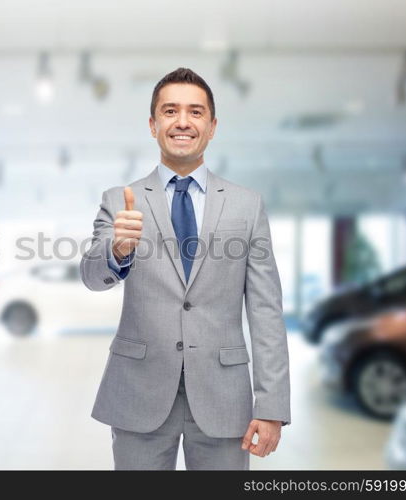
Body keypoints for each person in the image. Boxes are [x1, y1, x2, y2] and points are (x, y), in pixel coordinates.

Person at [80, 67, 290, 470]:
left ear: (212, 127)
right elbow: (91, 277)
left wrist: (273, 404)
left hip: (223, 396)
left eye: (195, 112)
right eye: (170, 111)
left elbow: (266, 309)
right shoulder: (120, 200)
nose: (182, 122)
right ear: (153, 124)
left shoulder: (247, 206)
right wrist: (117, 250)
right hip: (138, 391)